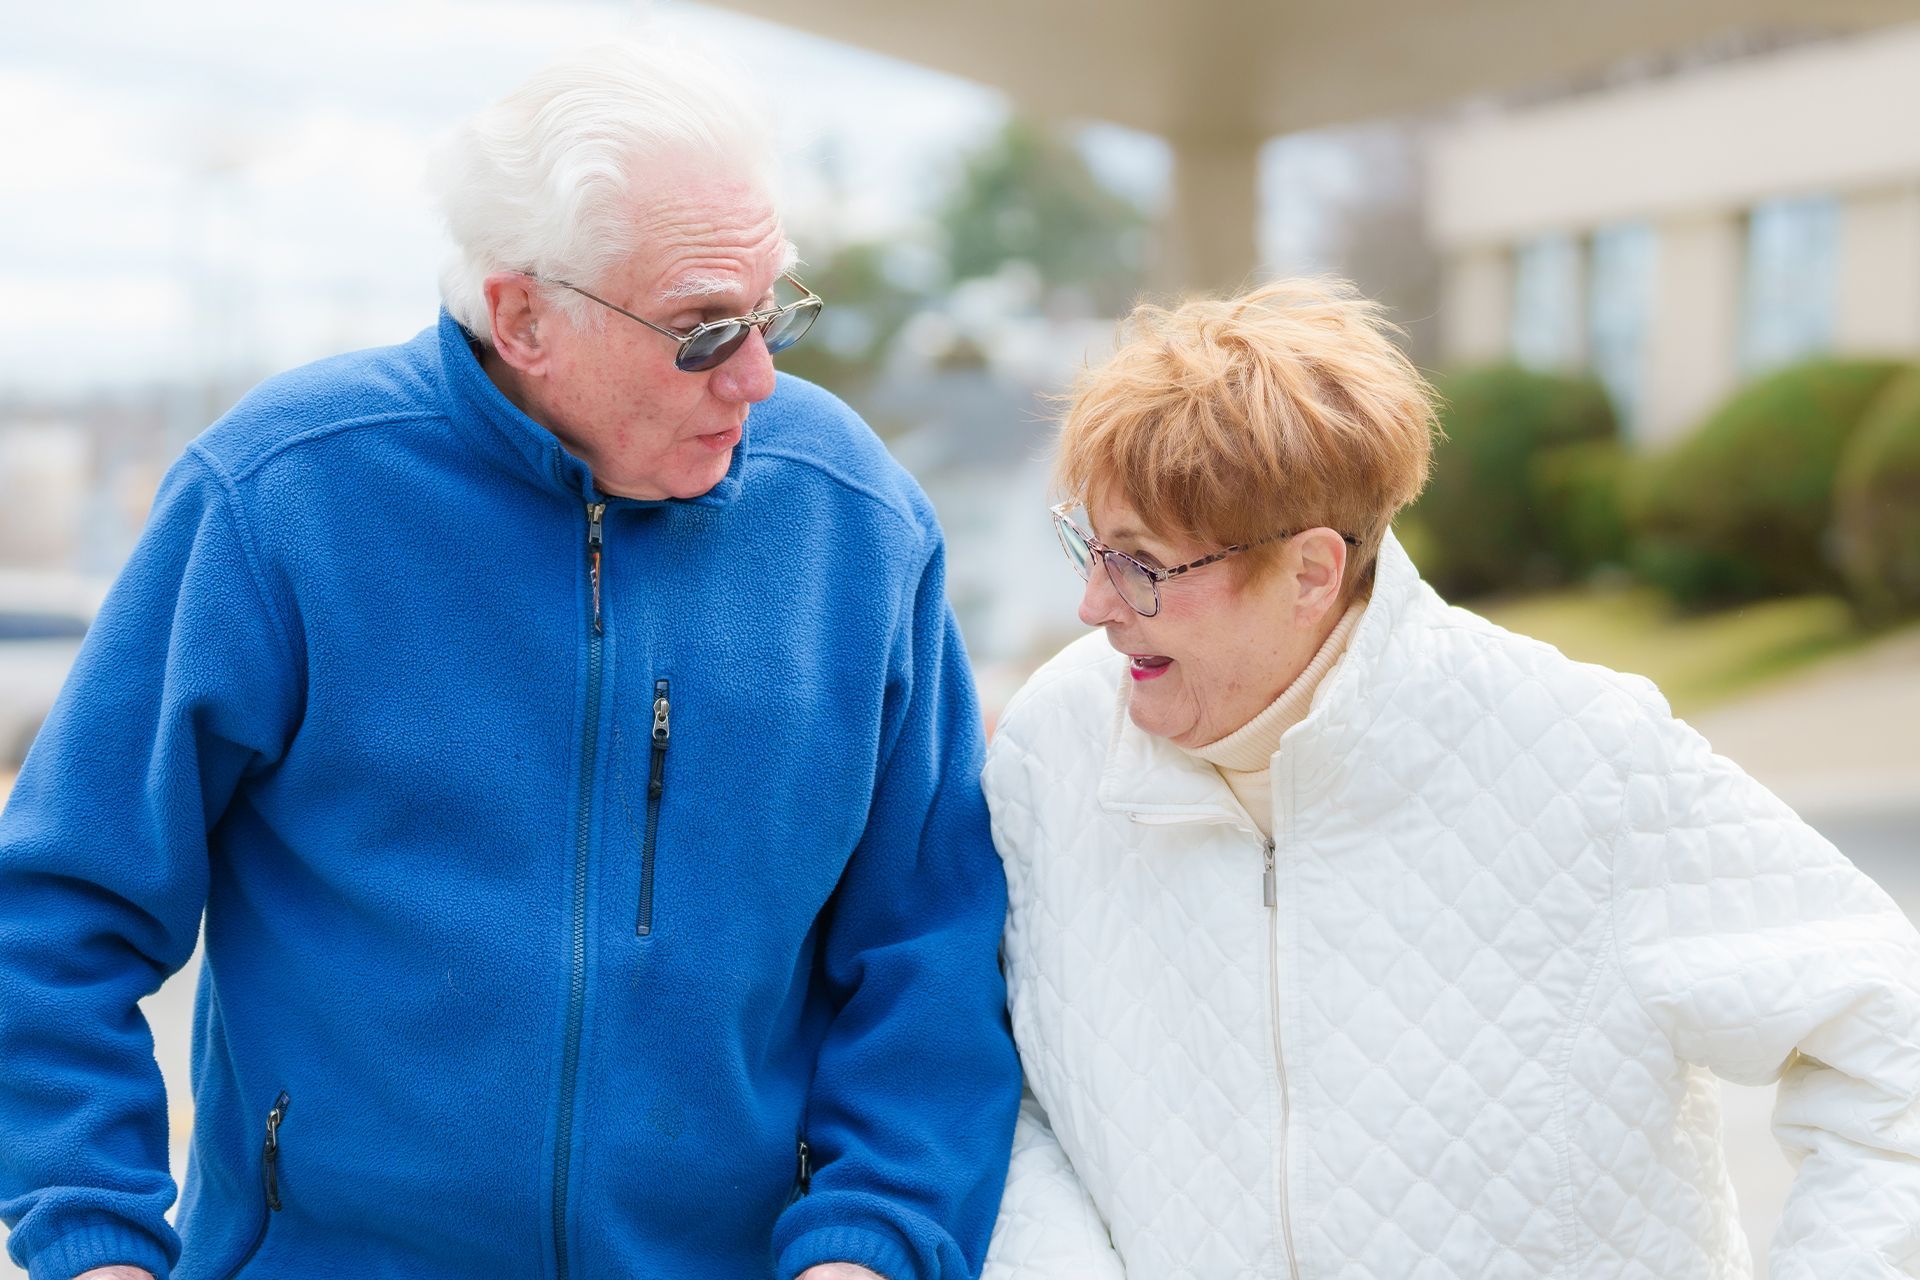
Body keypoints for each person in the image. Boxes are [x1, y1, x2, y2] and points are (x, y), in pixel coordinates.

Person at [0, 41, 1019, 1280]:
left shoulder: (857, 522)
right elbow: (55, 912)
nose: (758, 374)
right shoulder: (279, 499)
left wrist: (874, 1246)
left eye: (775, 309)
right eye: (704, 332)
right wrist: (94, 1238)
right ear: (524, 313)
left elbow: (934, 948)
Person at [978, 278, 1920, 1279]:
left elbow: (1886, 1035)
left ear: (1310, 571)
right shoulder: (1050, 746)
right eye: (1089, 544)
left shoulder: (1582, 755)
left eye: (1143, 565)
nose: (1092, 602)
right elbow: (998, 1091)